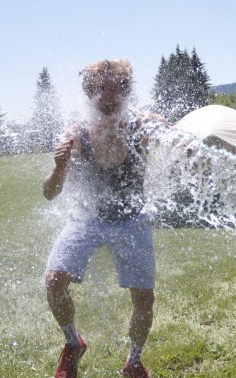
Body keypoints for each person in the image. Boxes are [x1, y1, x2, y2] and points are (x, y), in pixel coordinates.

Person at [43, 59, 164, 378]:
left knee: (144, 298)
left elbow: (177, 138)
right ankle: (72, 343)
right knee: (54, 282)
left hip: (132, 219)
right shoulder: (75, 132)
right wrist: (58, 168)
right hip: (87, 218)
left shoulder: (143, 124)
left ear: (126, 90)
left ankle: (133, 363)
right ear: (89, 92)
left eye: (116, 88)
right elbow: (49, 193)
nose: (109, 95)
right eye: (101, 88)